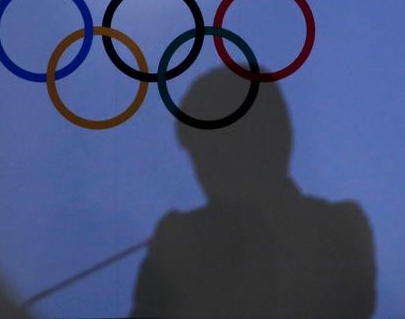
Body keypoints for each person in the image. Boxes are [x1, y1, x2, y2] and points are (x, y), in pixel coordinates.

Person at [131, 67, 376, 318]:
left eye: (215, 146)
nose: (205, 168)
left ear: (270, 136)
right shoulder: (180, 239)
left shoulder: (339, 227)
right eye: (199, 153)